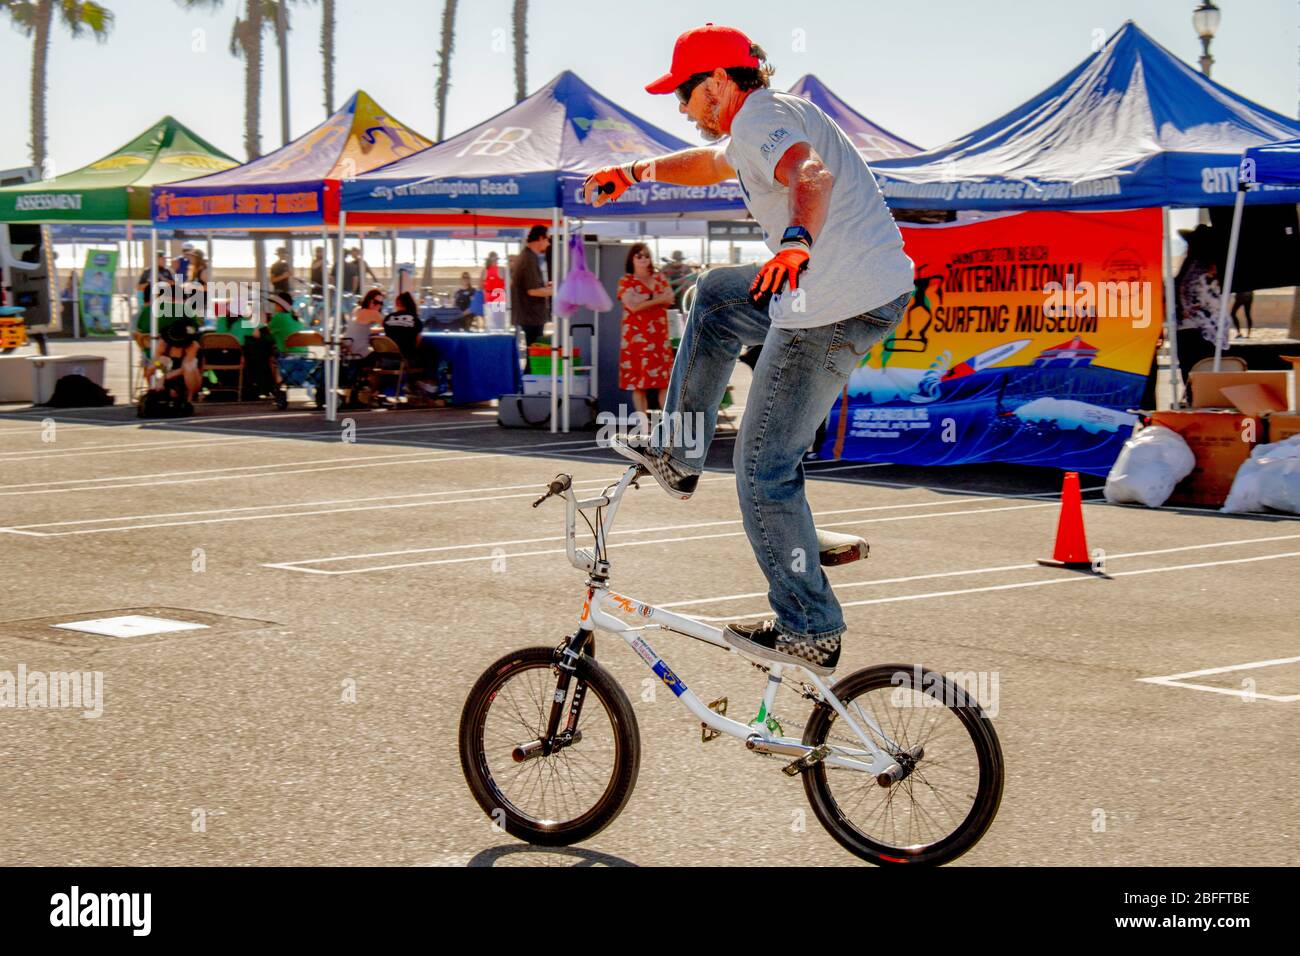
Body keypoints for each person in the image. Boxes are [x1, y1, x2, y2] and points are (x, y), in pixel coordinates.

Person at [583, 23, 914, 675]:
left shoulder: (761, 117)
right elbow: (710, 164)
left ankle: (809, 625)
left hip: (825, 300)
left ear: (715, 85)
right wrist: (634, 172)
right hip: (859, 290)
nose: (681, 109)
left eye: (684, 96)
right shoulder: (764, 122)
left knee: (762, 468)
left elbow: (808, 175)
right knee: (714, 297)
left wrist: (794, 239)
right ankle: (679, 452)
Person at [617, 243, 676, 417]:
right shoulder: (625, 280)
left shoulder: (660, 278)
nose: (643, 259)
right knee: (638, 384)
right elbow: (632, 306)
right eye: (639, 256)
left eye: (646, 255)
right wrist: (657, 298)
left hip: (659, 337)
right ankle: (644, 426)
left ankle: (667, 426)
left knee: (664, 383)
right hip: (636, 339)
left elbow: (670, 299)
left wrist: (644, 299)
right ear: (632, 259)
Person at [1174, 224, 1226, 391]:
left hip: (1187, 330)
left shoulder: (1189, 269)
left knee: (1192, 378)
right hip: (1205, 332)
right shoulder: (1209, 270)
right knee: (1205, 380)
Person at [510, 225, 553, 348]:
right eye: (547, 239)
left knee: (532, 358)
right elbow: (533, 291)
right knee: (533, 358)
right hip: (530, 318)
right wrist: (554, 291)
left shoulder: (527, 256)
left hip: (528, 317)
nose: (548, 243)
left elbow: (530, 286)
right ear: (540, 238)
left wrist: (547, 288)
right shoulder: (529, 259)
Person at [382, 290, 425, 362]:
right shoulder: (414, 319)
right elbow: (418, 340)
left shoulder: (388, 317)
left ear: (397, 303)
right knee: (430, 351)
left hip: (386, 358)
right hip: (405, 358)